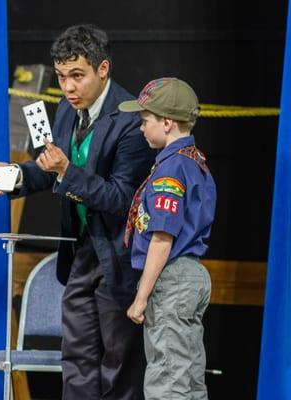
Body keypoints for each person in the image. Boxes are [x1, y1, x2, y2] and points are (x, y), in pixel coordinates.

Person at [0, 24, 155, 399]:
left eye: (77, 76)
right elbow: (49, 169)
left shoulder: (131, 122)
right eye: (61, 77)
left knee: (120, 368)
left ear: (102, 69)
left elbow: (122, 199)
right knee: (76, 363)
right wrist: (12, 177)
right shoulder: (65, 111)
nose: (68, 88)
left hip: (118, 262)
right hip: (78, 256)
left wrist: (65, 171)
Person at [118, 77, 216, 400]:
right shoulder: (194, 161)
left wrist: (142, 296)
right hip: (192, 274)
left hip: (171, 277)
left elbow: (162, 237)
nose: (142, 128)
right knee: (188, 376)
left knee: (167, 378)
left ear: (167, 122)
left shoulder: (171, 169)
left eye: (146, 120)